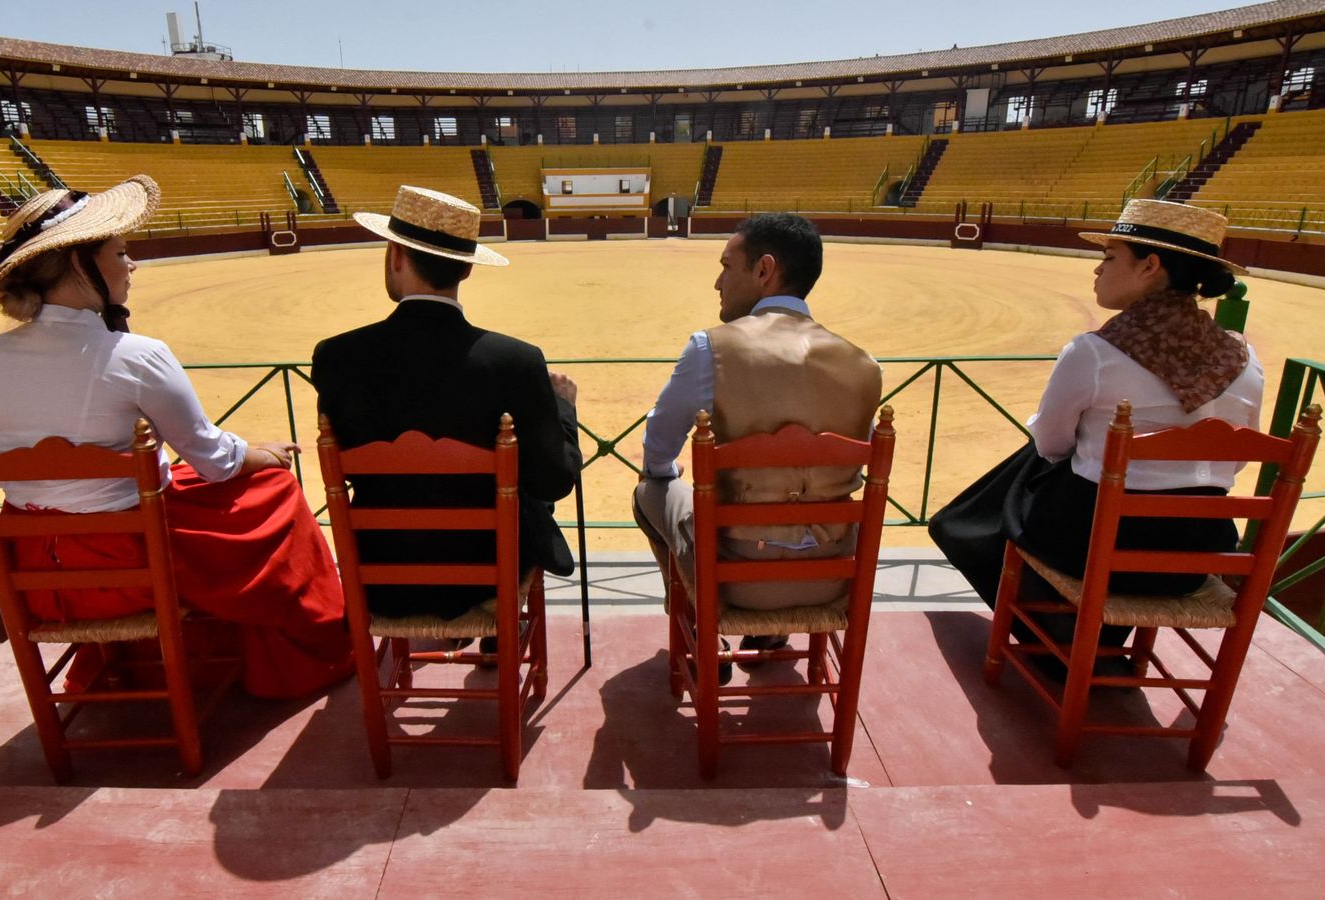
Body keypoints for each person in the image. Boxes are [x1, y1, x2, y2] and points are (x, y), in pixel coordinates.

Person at [0, 176, 352, 698]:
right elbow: (214, 460)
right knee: (276, 491)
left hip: (36, 571)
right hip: (129, 564)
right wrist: (265, 455)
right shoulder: (135, 353)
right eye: (120, 252)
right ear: (81, 265)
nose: (131, 264)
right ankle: (301, 647)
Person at [928, 199, 1263, 663]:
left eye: (1108, 258)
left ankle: (1057, 637)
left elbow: (1050, 442)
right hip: (1194, 553)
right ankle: (1091, 640)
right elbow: (1237, 459)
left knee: (1026, 475)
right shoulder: (1245, 361)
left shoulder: (1096, 353)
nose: (1097, 271)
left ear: (1150, 266)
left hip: (1092, 547)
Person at [311, 185, 582, 621]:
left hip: (378, 578)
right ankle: (496, 637)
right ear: (466, 270)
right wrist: (564, 409)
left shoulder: (336, 357)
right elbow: (554, 482)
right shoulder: (515, 361)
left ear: (396, 255)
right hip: (487, 574)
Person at [632, 213, 883, 663]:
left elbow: (659, 446)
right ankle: (773, 635)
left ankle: (695, 614)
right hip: (831, 580)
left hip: (735, 579)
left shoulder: (712, 347)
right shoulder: (864, 365)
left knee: (649, 488)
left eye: (727, 266)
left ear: (764, 270)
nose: (718, 282)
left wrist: (667, 475)